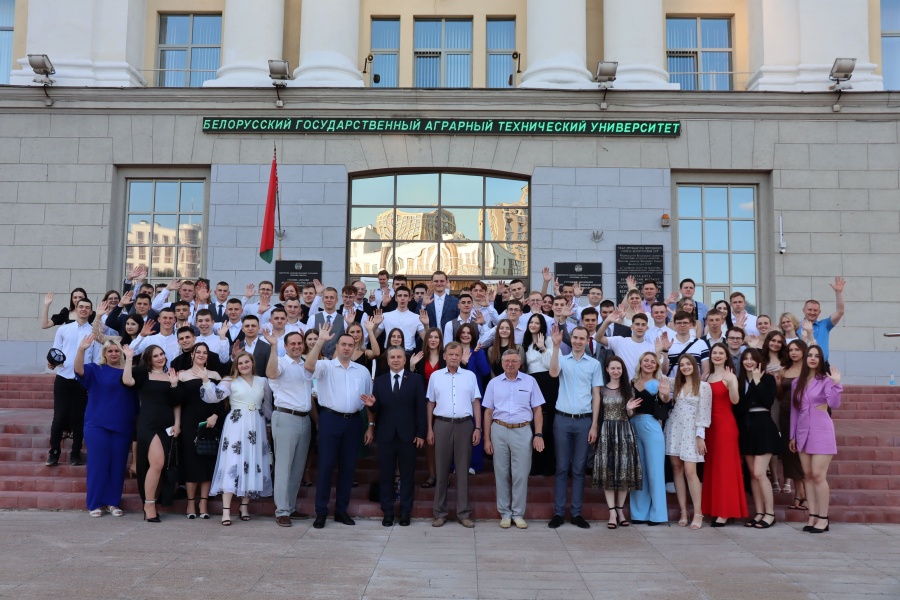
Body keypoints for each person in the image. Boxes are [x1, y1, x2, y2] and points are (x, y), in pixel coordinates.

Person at [305, 323, 373, 529]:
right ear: (337, 346)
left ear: (355, 347)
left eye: (350, 345)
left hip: (354, 421)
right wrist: (320, 341)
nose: (346, 348)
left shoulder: (362, 371)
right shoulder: (325, 366)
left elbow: (368, 400)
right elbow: (308, 366)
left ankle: (341, 510)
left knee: (348, 467)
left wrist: (370, 425)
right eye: (343, 344)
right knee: (326, 466)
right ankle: (321, 512)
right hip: (330, 419)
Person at [73, 335, 138, 517]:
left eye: (117, 350)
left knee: (117, 466)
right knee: (97, 464)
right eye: (110, 351)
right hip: (97, 425)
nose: (114, 353)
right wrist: (81, 350)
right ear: (104, 353)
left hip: (122, 425)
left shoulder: (129, 372)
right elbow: (78, 370)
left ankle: (112, 502)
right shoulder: (95, 369)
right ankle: (95, 503)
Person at [362, 347, 427, 527]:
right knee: (386, 475)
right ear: (388, 360)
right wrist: (372, 405)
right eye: (393, 357)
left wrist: (420, 433)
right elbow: (377, 409)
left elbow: (421, 409)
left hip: (408, 436)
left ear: (405, 360)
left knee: (407, 476)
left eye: (399, 357)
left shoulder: (415, 380)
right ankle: (388, 513)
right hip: (386, 435)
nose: (396, 360)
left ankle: (405, 512)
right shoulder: (380, 381)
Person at [482, 350, 545, 529]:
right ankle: (505, 513)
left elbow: (537, 410)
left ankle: (518, 514)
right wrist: (487, 439)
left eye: (514, 361)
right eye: (507, 361)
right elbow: (488, 412)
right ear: (502, 363)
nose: (510, 364)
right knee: (501, 472)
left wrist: (538, 434)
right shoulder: (494, 383)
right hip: (499, 429)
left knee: (521, 474)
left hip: (522, 430)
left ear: (520, 363)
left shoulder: (530, 381)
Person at [208, 351, 273, 525]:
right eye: (240, 363)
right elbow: (213, 397)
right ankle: (226, 511)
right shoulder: (230, 381)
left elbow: (267, 407)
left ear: (252, 363)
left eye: (246, 362)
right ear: (236, 366)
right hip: (236, 425)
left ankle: (244, 506)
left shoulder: (263, 381)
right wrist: (206, 381)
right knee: (232, 462)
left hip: (256, 426)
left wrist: (270, 426)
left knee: (252, 462)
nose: (244, 365)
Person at [548, 325, 602, 529]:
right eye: (575, 338)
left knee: (579, 469)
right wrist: (555, 347)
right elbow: (553, 373)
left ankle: (577, 513)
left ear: (587, 340)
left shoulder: (594, 364)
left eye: (582, 338)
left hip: (584, 421)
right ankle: (559, 513)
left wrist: (594, 425)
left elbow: (596, 395)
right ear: (571, 340)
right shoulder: (562, 359)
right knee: (562, 467)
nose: (578, 341)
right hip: (562, 419)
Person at [122, 344, 181, 522]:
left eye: (162, 354)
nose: (160, 357)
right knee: (157, 463)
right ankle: (148, 505)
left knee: (162, 467)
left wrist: (177, 423)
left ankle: (153, 501)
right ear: (149, 359)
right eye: (155, 356)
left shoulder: (171, 375)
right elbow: (127, 381)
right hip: (148, 424)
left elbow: (176, 403)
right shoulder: (143, 374)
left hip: (167, 425)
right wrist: (129, 358)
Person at [427, 342, 482, 528]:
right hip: (441, 424)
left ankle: (463, 513)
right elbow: (430, 403)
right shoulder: (435, 376)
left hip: (464, 425)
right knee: (441, 470)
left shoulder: (469, 376)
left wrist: (478, 428)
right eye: (450, 354)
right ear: (444, 356)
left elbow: (475, 402)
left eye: (457, 355)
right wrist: (429, 429)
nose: (453, 357)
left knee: (463, 471)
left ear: (461, 357)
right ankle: (440, 513)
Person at [264, 330, 316, 527]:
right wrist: (273, 347)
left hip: (304, 418)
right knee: (283, 467)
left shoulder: (307, 364)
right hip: (286, 417)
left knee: (297, 468)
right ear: (285, 346)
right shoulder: (280, 362)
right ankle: (282, 510)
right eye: (292, 343)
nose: (296, 346)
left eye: (299, 343)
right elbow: (271, 373)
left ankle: (290, 507)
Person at [790, 345, 842, 534]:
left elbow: (834, 403)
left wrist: (836, 384)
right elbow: (795, 410)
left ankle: (823, 517)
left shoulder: (826, 380)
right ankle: (812, 515)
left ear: (820, 360)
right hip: (802, 431)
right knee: (808, 475)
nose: (812, 358)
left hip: (821, 430)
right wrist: (792, 435)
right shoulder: (797, 382)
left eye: (816, 356)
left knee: (819, 475)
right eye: (809, 355)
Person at [592, 355, 642, 529]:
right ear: (607, 370)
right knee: (608, 471)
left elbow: (631, 415)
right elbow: (599, 414)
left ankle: (620, 511)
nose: (616, 371)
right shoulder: (601, 390)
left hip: (624, 431)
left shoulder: (629, 389)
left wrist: (628, 409)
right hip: (606, 432)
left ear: (622, 370)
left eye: (618, 368)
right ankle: (612, 512)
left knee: (624, 472)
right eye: (612, 368)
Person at [177, 343, 226, 520]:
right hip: (189, 423)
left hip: (210, 423)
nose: (201, 355)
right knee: (191, 462)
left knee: (207, 461)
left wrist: (216, 416)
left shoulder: (215, 375)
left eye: (205, 352)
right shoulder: (183, 375)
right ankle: (191, 502)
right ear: (192, 354)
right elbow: (178, 401)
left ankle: (203, 503)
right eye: (198, 352)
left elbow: (222, 401)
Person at [701, 343, 747, 526]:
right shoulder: (706, 376)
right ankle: (715, 508)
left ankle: (725, 512)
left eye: (721, 353)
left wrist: (732, 383)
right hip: (709, 427)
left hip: (725, 426)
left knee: (725, 468)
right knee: (713, 468)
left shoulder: (730, 376)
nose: (717, 355)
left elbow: (735, 401)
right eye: (715, 353)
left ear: (726, 356)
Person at [737, 348, 783, 529]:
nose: (749, 362)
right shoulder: (740, 381)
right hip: (747, 429)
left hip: (764, 427)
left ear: (758, 361)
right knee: (752, 475)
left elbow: (767, 401)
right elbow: (740, 406)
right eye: (745, 359)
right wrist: (750, 387)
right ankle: (759, 512)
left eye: (752, 359)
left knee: (759, 473)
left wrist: (756, 381)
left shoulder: (768, 379)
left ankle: (770, 513)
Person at [47, 297, 96, 467]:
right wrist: (52, 363)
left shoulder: (94, 332)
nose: (84, 309)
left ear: (91, 311)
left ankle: (75, 453)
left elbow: (96, 358)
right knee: (59, 417)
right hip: (63, 378)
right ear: (76, 308)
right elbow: (56, 351)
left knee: (79, 418)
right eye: (81, 306)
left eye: (87, 307)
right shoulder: (64, 329)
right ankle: (54, 453)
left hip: (82, 380)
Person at [665, 354, 712, 530]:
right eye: (682, 365)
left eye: (688, 364)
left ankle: (698, 512)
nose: (685, 367)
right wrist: (661, 352)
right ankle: (684, 511)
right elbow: (657, 375)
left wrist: (700, 436)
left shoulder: (704, 386)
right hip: (674, 429)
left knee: (691, 472)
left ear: (695, 365)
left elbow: (704, 412)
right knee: (677, 469)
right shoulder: (676, 384)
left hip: (692, 431)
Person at [628, 351, 670, 525]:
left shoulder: (659, 382)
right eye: (646, 360)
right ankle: (639, 514)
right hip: (633, 425)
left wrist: (666, 394)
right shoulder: (631, 383)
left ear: (656, 365)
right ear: (640, 363)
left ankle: (658, 515)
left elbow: (665, 401)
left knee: (655, 472)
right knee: (639, 472)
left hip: (651, 426)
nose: (649, 363)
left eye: (652, 361)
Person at [522, 313, 559, 476]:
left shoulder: (549, 340)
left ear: (542, 326)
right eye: (531, 322)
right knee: (533, 424)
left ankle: (549, 465)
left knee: (547, 425)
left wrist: (543, 348)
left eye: (537, 323)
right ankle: (536, 464)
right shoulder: (525, 343)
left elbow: (553, 367)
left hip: (548, 382)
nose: (533, 325)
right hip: (531, 383)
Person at [410, 328, 445, 485]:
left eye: (436, 337)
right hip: (425, 403)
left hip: (444, 402)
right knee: (430, 441)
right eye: (430, 337)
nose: (433, 340)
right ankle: (432, 475)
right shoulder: (420, 357)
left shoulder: (445, 357)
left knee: (442, 441)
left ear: (440, 340)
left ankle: (443, 476)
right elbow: (413, 381)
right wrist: (412, 367)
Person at [780, 339, 808, 510]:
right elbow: (779, 393)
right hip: (785, 415)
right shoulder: (785, 369)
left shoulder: (809, 370)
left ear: (803, 351)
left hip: (803, 415)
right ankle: (798, 494)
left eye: (797, 349)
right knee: (789, 454)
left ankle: (807, 495)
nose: (793, 353)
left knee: (801, 454)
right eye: (791, 350)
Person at [596, 311, 663, 380]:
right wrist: (607, 322)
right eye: (637, 324)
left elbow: (658, 370)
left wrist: (659, 352)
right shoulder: (619, 341)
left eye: (643, 325)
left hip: (643, 385)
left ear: (647, 328)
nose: (640, 327)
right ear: (631, 327)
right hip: (623, 385)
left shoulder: (651, 348)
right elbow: (598, 338)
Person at [801, 277, 846, 363]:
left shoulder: (825, 324)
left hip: (823, 366)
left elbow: (840, 312)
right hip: (802, 366)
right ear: (804, 310)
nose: (812, 312)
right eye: (809, 310)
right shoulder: (796, 326)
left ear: (819, 312)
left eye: (815, 310)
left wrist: (838, 293)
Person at [375, 286, 424, 353]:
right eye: (400, 295)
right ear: (396, 298)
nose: (402, 298)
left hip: (408, 353)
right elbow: (374, 336)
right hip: (389, 352)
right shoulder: (385, 316)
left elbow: (425, 338)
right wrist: (375, 325)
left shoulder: (416, 317)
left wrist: (426, 325)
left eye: (405, 296)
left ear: (410, 298)